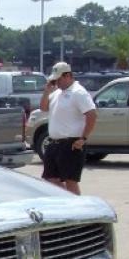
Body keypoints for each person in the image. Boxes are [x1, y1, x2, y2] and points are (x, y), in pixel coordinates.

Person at [38, 62, 97, 195]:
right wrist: (47, 91)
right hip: (54, 142)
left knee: (70, 180)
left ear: (68, 76)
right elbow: (43, 108)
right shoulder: (57, 92)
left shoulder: (79, 92)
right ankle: (68, 199)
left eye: (58, 79)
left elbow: (92, 115)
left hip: (71, 143)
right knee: (49, 178)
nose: (56, 82)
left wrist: (83, 138)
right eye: (54, 80)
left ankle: (77, 205)